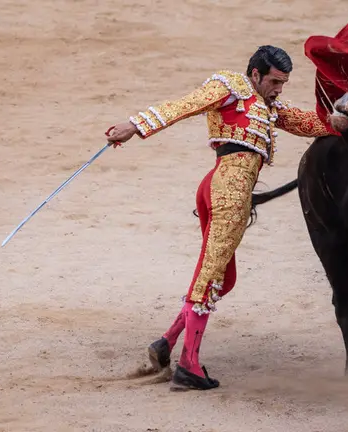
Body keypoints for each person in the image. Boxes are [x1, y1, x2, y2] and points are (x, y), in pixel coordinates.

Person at [104, 45, 335, 391]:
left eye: (283, 83)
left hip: (222, 187)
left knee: (222, 279)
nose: (279, 89)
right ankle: (189, 365)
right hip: (228, 189)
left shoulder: (271, 107)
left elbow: (310, 123)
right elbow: (185, 105)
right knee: (210, 277)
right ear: (255, 74)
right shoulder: (231, 87)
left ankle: (166, 343)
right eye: (274, 81)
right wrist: (135, 125)